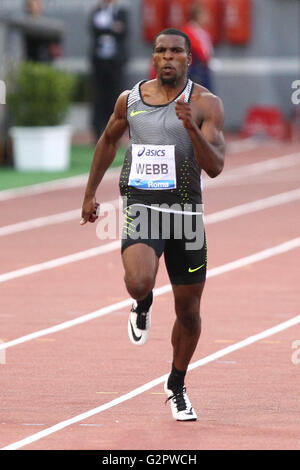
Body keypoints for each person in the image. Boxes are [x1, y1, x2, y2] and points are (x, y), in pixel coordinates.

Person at [80, 28, 225, 421]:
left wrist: (191, 128)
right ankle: (142, 304)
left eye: (175, 51)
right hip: (143, 207)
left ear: (188, 59)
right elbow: (108, 141)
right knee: (139, 280)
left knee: (190, 313)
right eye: (160, 51)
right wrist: (90, 193)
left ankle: (176, 386)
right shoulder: (130, 100)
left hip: (186, 217)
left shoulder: (205, 104)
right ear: (154, 57)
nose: (167, 57)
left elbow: (214, 167)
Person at [88, 0, 128, 142]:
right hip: (99, 62)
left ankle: (115, 131)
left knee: (115, 97)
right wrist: (112, 28)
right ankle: (97, 131)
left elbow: (124, 31)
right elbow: (93, 30)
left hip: (115, 63)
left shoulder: (121, 12)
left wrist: (105, 27)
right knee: (99, 96)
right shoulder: (96, 10)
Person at [181, 3, 214, 91]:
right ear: (198, 16)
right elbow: (196, 48)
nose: (208, 17)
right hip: (194, 68)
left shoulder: (203, 31)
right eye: (205, 15)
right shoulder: (189, 30)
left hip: (203, 68)